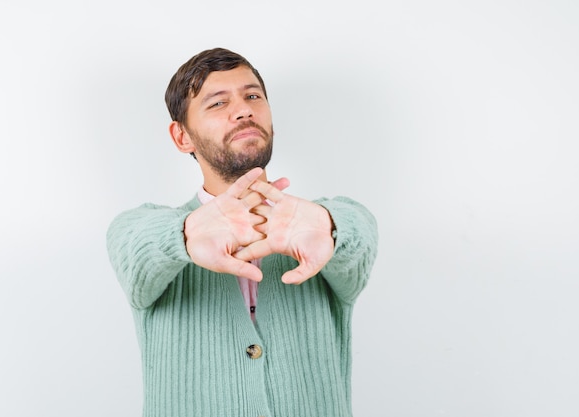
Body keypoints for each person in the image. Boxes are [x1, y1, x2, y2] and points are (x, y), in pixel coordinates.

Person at [106, 47, 378, 417]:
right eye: (217, 104)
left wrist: (331, 226)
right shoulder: (145, 228)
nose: (244, 109)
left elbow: (357, 232)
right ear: (182, 136)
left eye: (253, 96)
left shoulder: (318, 225)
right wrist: (185, 234)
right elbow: (136, 250)